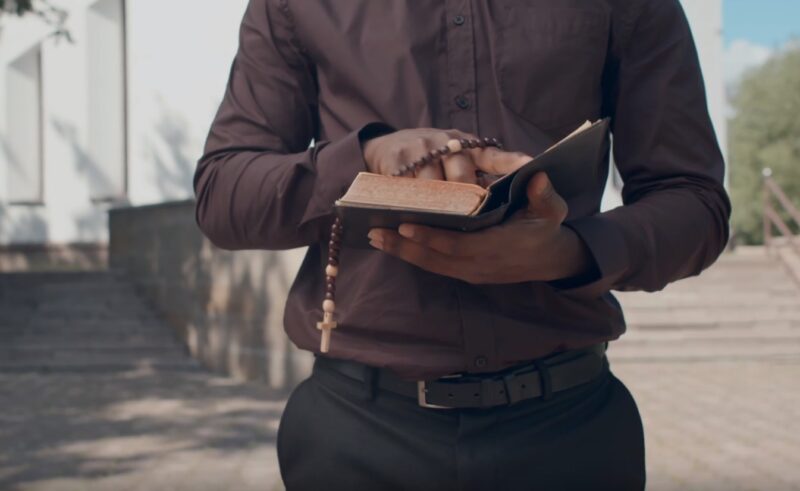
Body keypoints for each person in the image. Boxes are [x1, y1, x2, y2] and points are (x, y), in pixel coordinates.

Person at [193, 1, 730, 489]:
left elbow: (694, 202)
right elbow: (223, 196)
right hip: (356, 437)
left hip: (571, 433)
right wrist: (366, 157)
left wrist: (569, 253)